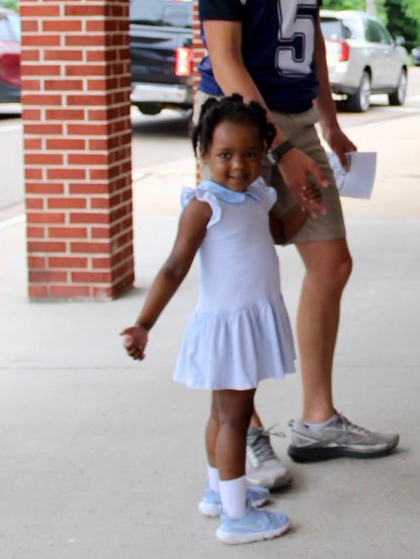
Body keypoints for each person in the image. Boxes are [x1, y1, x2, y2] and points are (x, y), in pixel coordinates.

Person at [179, 0, 398, 489]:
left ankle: (317, 416)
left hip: (295, 113)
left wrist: (326, 121)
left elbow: (308, 44)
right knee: (238, 286)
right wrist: (281, 148)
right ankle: (241, 433)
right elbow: (227, 59)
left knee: (329, 264)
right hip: (239, 130)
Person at [121, 96, 315, 544]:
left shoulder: (258, 197)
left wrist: (304, 204)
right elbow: (173, 267)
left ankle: (218, 491)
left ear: (263, 153)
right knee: (235, 418)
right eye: (225, 155)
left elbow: (281, 235)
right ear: (203, 154)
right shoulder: (205, 205)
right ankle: (236, 517)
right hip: (229, 327)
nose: (238, 166)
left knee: (221, 414)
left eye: (250, 154)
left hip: (247, 320)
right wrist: (144, 323)